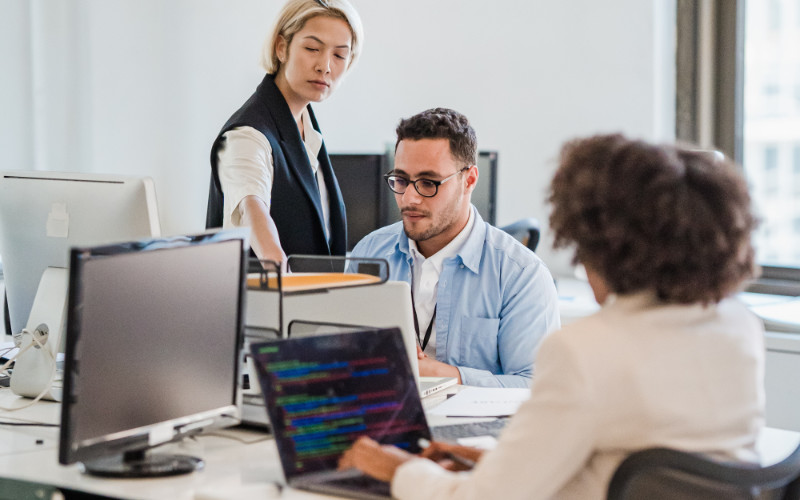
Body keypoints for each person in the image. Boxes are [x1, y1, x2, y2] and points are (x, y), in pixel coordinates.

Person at [339, 134, 765, 499]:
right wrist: (486, 462)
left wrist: (395, 467)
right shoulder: (740, 331)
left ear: (608, 247)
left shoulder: (586, 352)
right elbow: (621, 459)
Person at [349, 108, 560, 388]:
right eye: (401, 180)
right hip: (381, 422)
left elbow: (538, 386)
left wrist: (446, 376)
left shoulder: (521, 274)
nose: (409, 198)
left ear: (469, 180)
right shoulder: (369, 252)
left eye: (428, 183)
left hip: (474, 430)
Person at [206, 0, 363, 265]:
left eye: (339, 55)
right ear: (282, 47)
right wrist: (276, 264)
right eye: (312, 48)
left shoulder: (307, 126)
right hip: (268, 301)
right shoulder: (247, 135)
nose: (325, 66)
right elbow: (251, 206)